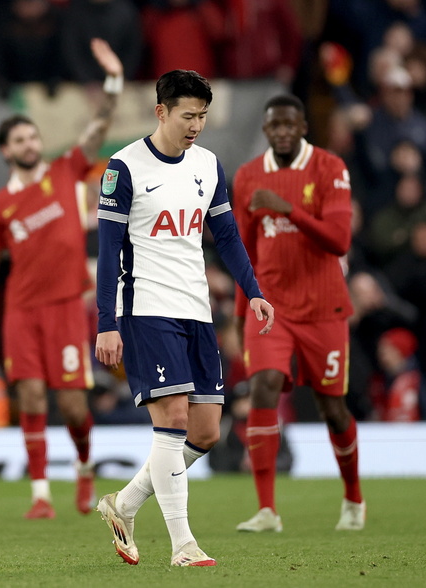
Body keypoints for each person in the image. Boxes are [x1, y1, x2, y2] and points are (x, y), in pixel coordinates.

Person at [93, 69, 274, 567]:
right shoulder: (124, 167)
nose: (196, 124)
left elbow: (229, 237)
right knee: (171, 420)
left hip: (196, 308)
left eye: (203, 116)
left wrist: (253, 292)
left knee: (207, 431)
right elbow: (108, 252)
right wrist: (106, 321)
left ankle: (124, 504)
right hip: (146, 307)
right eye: (188, 115)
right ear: (161, 112)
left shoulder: (208, 164)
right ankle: (183, 546)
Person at [0, 39, 124, 519]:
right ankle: (40, 493)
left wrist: (111, 81)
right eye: (21, 140)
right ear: (6, 151)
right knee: (29, 395)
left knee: (72, 407)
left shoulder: (67, 171)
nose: (31, 144)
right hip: (22, 311)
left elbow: (100, 126)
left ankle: (86, 465)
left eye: (33, 137)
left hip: (67, 306)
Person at [231, 94, 365, 533]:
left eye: (290, 124)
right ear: (266, 130)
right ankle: (267, 509)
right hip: (271, 306)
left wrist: (290, 209)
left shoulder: (330, 168)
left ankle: (352, 497)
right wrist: (239, 310)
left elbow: (340, 240)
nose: (282, 132)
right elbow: (243, 251)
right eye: (274, 126)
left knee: (333, 409)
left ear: (303, 125)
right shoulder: (249, 177)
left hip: (324, 307)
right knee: (264, 386)